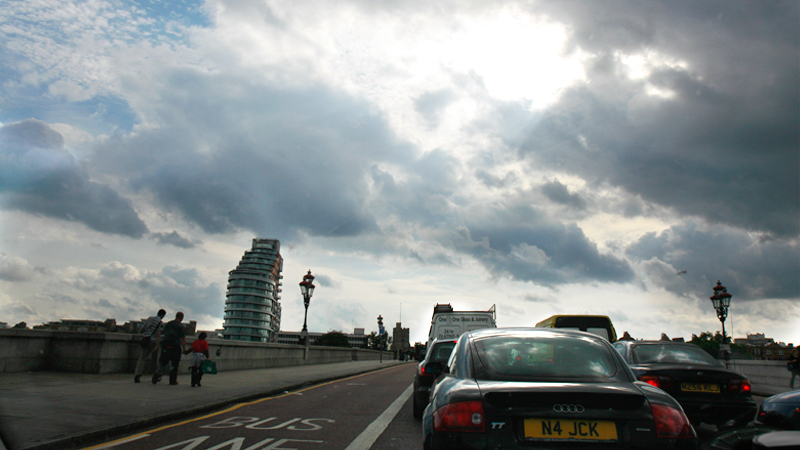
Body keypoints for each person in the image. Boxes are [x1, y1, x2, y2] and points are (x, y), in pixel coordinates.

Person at [152, 312, 187, 385]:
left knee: (163, 361)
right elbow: (183, 338)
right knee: (175, 363)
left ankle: (157, 372)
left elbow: (162, 332)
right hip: (175, 345)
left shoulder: (169, 323)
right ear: (182, 317)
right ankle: (172, 380)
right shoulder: (181, 326)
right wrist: (184, 349)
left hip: (166, 343)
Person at [134, 309, 166, 383]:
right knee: (154, 360)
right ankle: (155, 375)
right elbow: (158, 334)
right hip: (153, 342)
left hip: (146, 340)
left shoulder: (149, 319)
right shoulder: (160, 323)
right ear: (162, 315)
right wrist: (156, 345)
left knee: (142, 358)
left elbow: (142, 329)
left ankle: (137, 375)